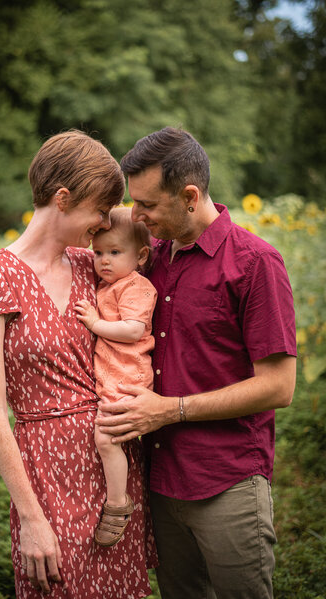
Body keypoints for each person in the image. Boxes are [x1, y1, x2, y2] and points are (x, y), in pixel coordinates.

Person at [0, 131, 157, 599]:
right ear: (63, 199)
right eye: (100, 212)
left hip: (114, 471)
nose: (105, 224)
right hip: (46, 476)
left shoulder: (93, 265)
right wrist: (32, 519)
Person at [96, 127, 297, 599]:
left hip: (225, 482)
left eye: (146, 204)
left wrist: (171, 409)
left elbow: (279, 387)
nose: (136, 215)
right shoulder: (151, 255)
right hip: (161, 482)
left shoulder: (255, 264)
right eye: (134, 203)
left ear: (189, 196)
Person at [74, 207, 157, 547]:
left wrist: (94, 324)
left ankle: (118, 504)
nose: (103, 261)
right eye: (98, 252)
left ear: (140, 256)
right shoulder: (110, 284)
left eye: (114, 252)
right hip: (114, 375)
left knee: (106, 438)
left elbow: (133, 329)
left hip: (128, 377)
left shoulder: (136, 286)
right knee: (112, 440)